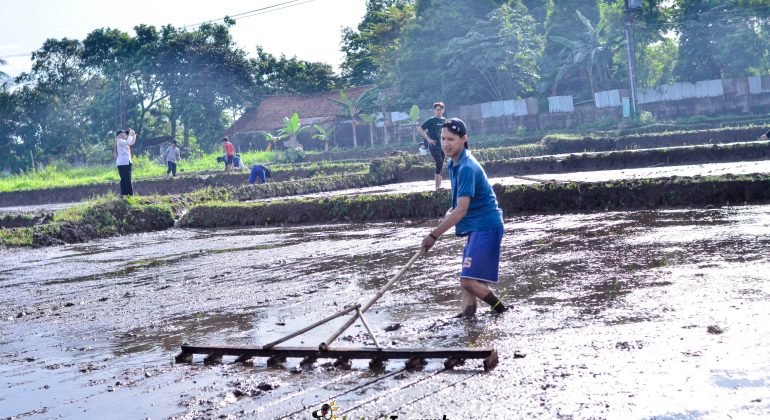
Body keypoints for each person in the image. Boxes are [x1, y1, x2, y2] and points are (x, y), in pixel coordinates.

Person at [421, 118, 506, 318]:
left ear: (464, 139)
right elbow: (461, 201)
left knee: (468, 281)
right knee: (469, 280)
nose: (445, 144)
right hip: (477, 226)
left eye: (451, 139)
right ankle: (468, 316)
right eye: (443, 139)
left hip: (485, 226)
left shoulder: (467, 167)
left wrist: (433, 236)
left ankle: (502, 309)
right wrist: (452, 208)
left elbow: (461, 211)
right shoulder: (454, 162)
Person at [417, 102, 447, 191]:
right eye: (437, 109)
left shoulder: (444, 120)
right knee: (439, 162)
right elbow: (420, 129)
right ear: (434, 111)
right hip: (434, 146)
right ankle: (437, 187)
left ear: (443, 110)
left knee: (441, 164)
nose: (439, 111)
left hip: (443, 146)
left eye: (440, 109)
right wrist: (428, 139)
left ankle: (439, 186)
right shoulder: (431, 120)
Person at [115, 129, 136, 196]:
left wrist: (133, 135)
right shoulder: (119, 141)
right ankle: (125, 194)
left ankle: (128, 194)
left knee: (127, 178)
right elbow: (128, 142)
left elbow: (131, 142)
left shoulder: (124, 141)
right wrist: (130, 135)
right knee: (124, 179)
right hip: (123, 162)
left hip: (126, 161)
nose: (126, 135)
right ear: (120, 134)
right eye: (125, 133)